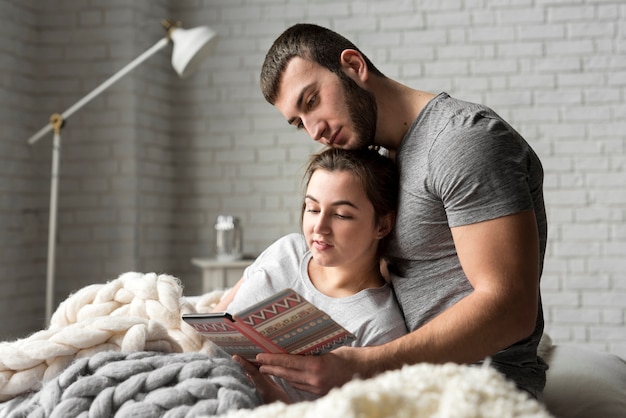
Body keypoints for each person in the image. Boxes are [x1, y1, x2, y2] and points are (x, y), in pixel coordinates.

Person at [255, 23, 548, 400]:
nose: (314, 131)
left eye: (312, 101)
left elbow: (510, 307)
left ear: (353, 66)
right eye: (299, 122)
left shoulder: (462, 141)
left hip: (480, 387)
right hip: (407, 382)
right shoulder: (382, 162)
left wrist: (362, 365)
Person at [212, 147, 408, 403]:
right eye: (312, 209)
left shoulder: (380, 327)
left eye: (341, 215)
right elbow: (214, 319)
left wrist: (275, 398)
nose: (319, 227)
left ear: (382, 225)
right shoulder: (286, 250)